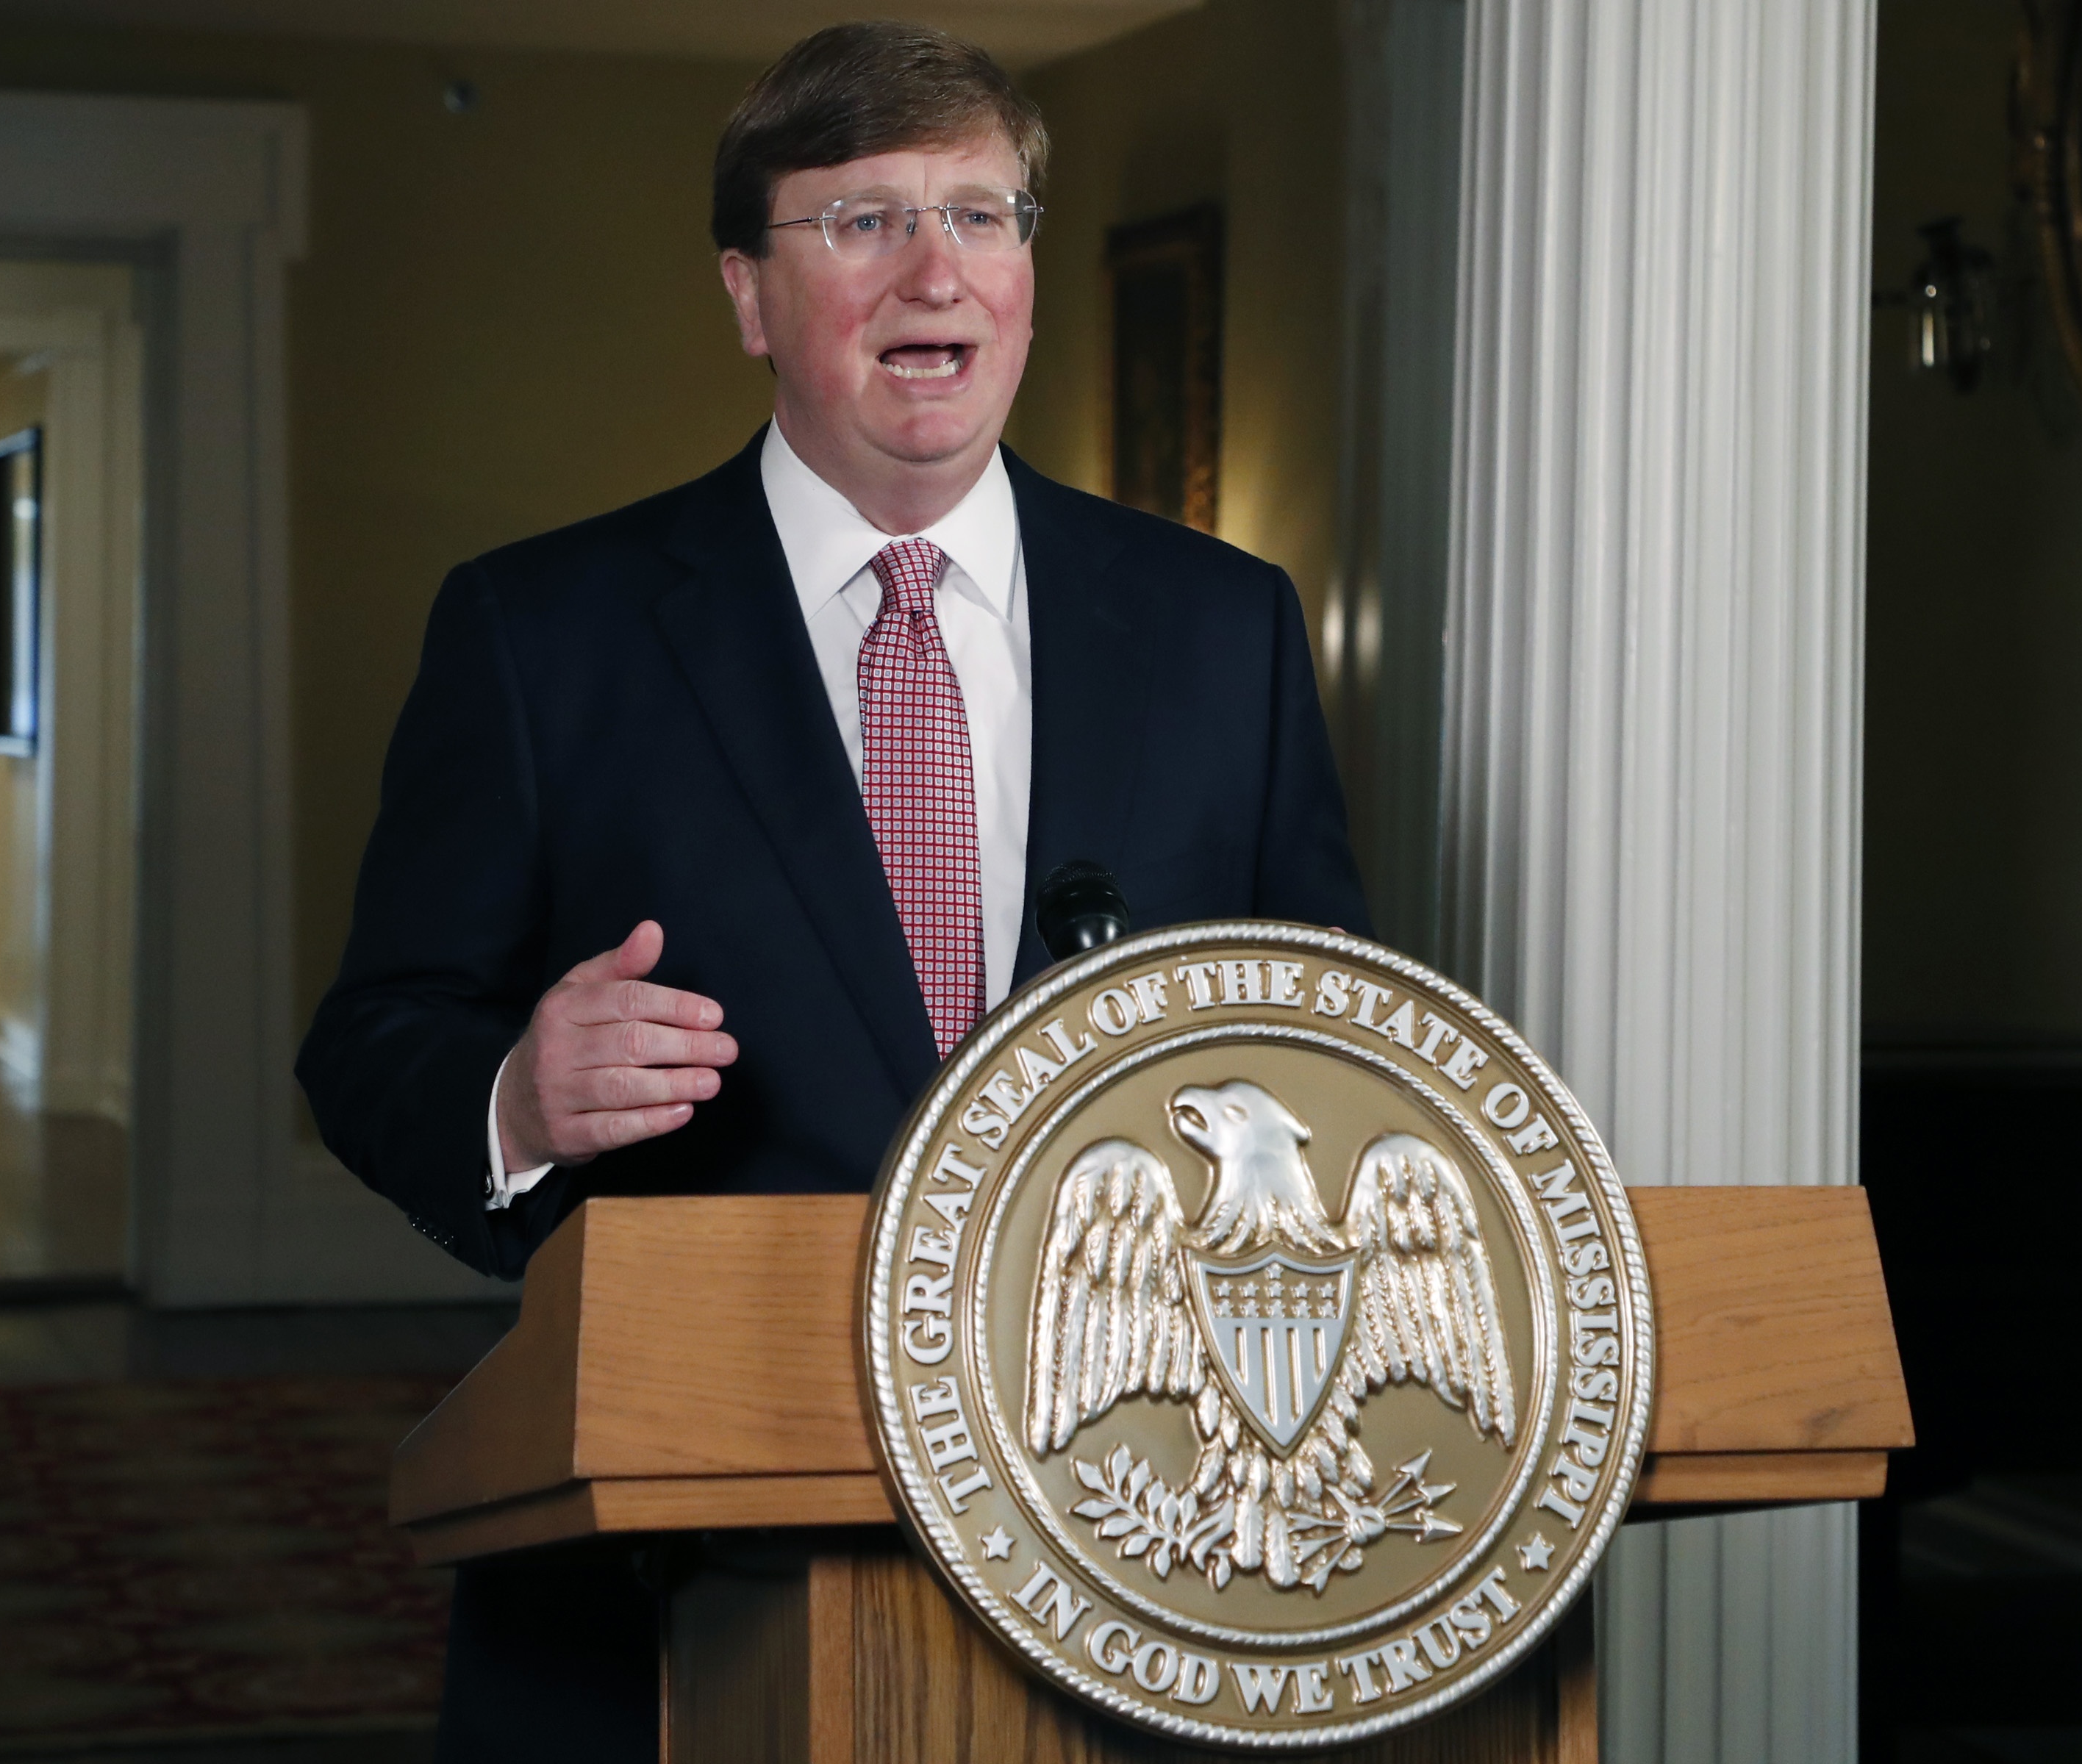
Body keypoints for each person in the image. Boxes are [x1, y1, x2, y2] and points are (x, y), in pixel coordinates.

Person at [296, 21, 1368, 1762]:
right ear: (747, 294)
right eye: (863, 219)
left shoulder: (1221, 626)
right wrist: (517, 1095)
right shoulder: (540, 633)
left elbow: (1330, 1033)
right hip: (678, 1568)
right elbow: (373, 1036)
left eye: (982, 214)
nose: (935, 266)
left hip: (1135, 1543)